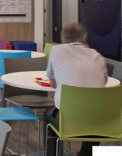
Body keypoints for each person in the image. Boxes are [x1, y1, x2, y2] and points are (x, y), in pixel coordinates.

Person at [45, 23, 108, 156]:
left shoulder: (57, 50)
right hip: (100, 122)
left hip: (69, 120)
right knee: (93, 114)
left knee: (48, 115)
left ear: (63, 39)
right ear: (84, 38)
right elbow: (103, 82)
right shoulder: (97, 55)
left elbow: (53, 83)